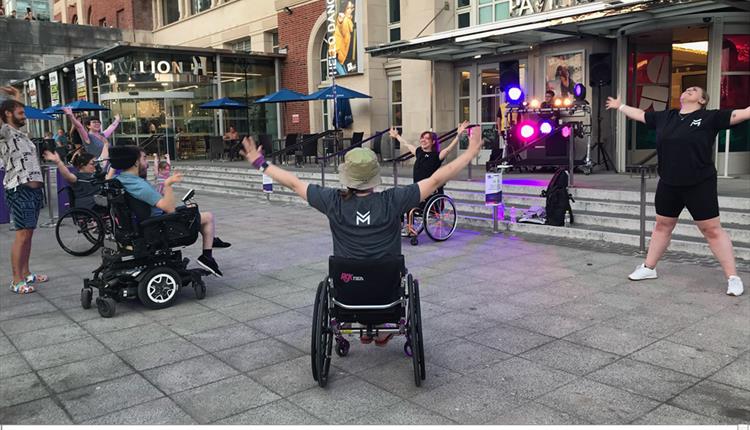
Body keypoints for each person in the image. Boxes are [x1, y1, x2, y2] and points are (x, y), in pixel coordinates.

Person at [239, 128, 482, 342]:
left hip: (347, 290)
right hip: (387, 291)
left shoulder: (333, 201)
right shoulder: (392, 201)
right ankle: (382, 328)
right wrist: (470, 153)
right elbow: (436, 178)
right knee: (389, 277)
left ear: (347, 176)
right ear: (374, 177)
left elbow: (294, 183)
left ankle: (364, 328)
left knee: (351, 277)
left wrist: (261, 163)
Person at [606, 86, 750, 296]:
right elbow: (641, 115)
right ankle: (648, 268)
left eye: (695, 90)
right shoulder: (667, 117)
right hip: (669, 182)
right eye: (687, 89)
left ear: (702, 100)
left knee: (712, 230)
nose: (689, 90)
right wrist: (620, 106)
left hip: (699, 182)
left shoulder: (710, 117)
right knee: (662, 225)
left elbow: (743, 113)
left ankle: (733, 277)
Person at [107, 146, 229, 276]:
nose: (146, 162)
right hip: (157, 227)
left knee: (190, 209)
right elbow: (169, 209)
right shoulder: (138, 185)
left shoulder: (120, 180)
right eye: (143, 158)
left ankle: (211, 239)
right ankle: (207, 256)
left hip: (149, 222)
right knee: (208, 217)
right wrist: (168, 185)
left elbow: (110, 174)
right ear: (135, 162)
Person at [1, 97, 47, 294]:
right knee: (22, 235)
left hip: (33, 190)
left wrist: (17, 96)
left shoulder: (22, 135)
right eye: (20, 113)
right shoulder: (5, 132)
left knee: (28, 234)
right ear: (8, 114)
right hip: (19, 188)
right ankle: (16, 280)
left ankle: (26, 273)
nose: (24, 116)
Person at [389, 121, 469, 197]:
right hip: (418, 188)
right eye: (422, 138)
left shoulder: (437, 156)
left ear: (433, 142)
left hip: (430, 190)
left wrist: (458, 135)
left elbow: (448, 149)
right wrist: (397, 136)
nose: (423, 140)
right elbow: (406, 144)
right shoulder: (419, 152)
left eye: (427, 138)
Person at [43, 138, 110, 211]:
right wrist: (58, 162)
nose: (95, 166)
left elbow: (103, 159)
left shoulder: (96, 174)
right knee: (114, 203)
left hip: (99, 200)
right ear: (82, 165)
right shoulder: (77, 177)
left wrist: (106, 145)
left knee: (117, 199)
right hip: (88, 204)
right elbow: (67, 175)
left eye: (95, 163)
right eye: (92, 164)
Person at [334, 1, 355, 75]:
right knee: (344, 76)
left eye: (351, 8)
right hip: (338, 53)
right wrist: (340, 22)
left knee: (345, 76)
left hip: (340, 55)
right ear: (344, 10)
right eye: (348, 8)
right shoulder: (345, 21)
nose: (351, 10)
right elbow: (342, 27)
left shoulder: (348, 20)